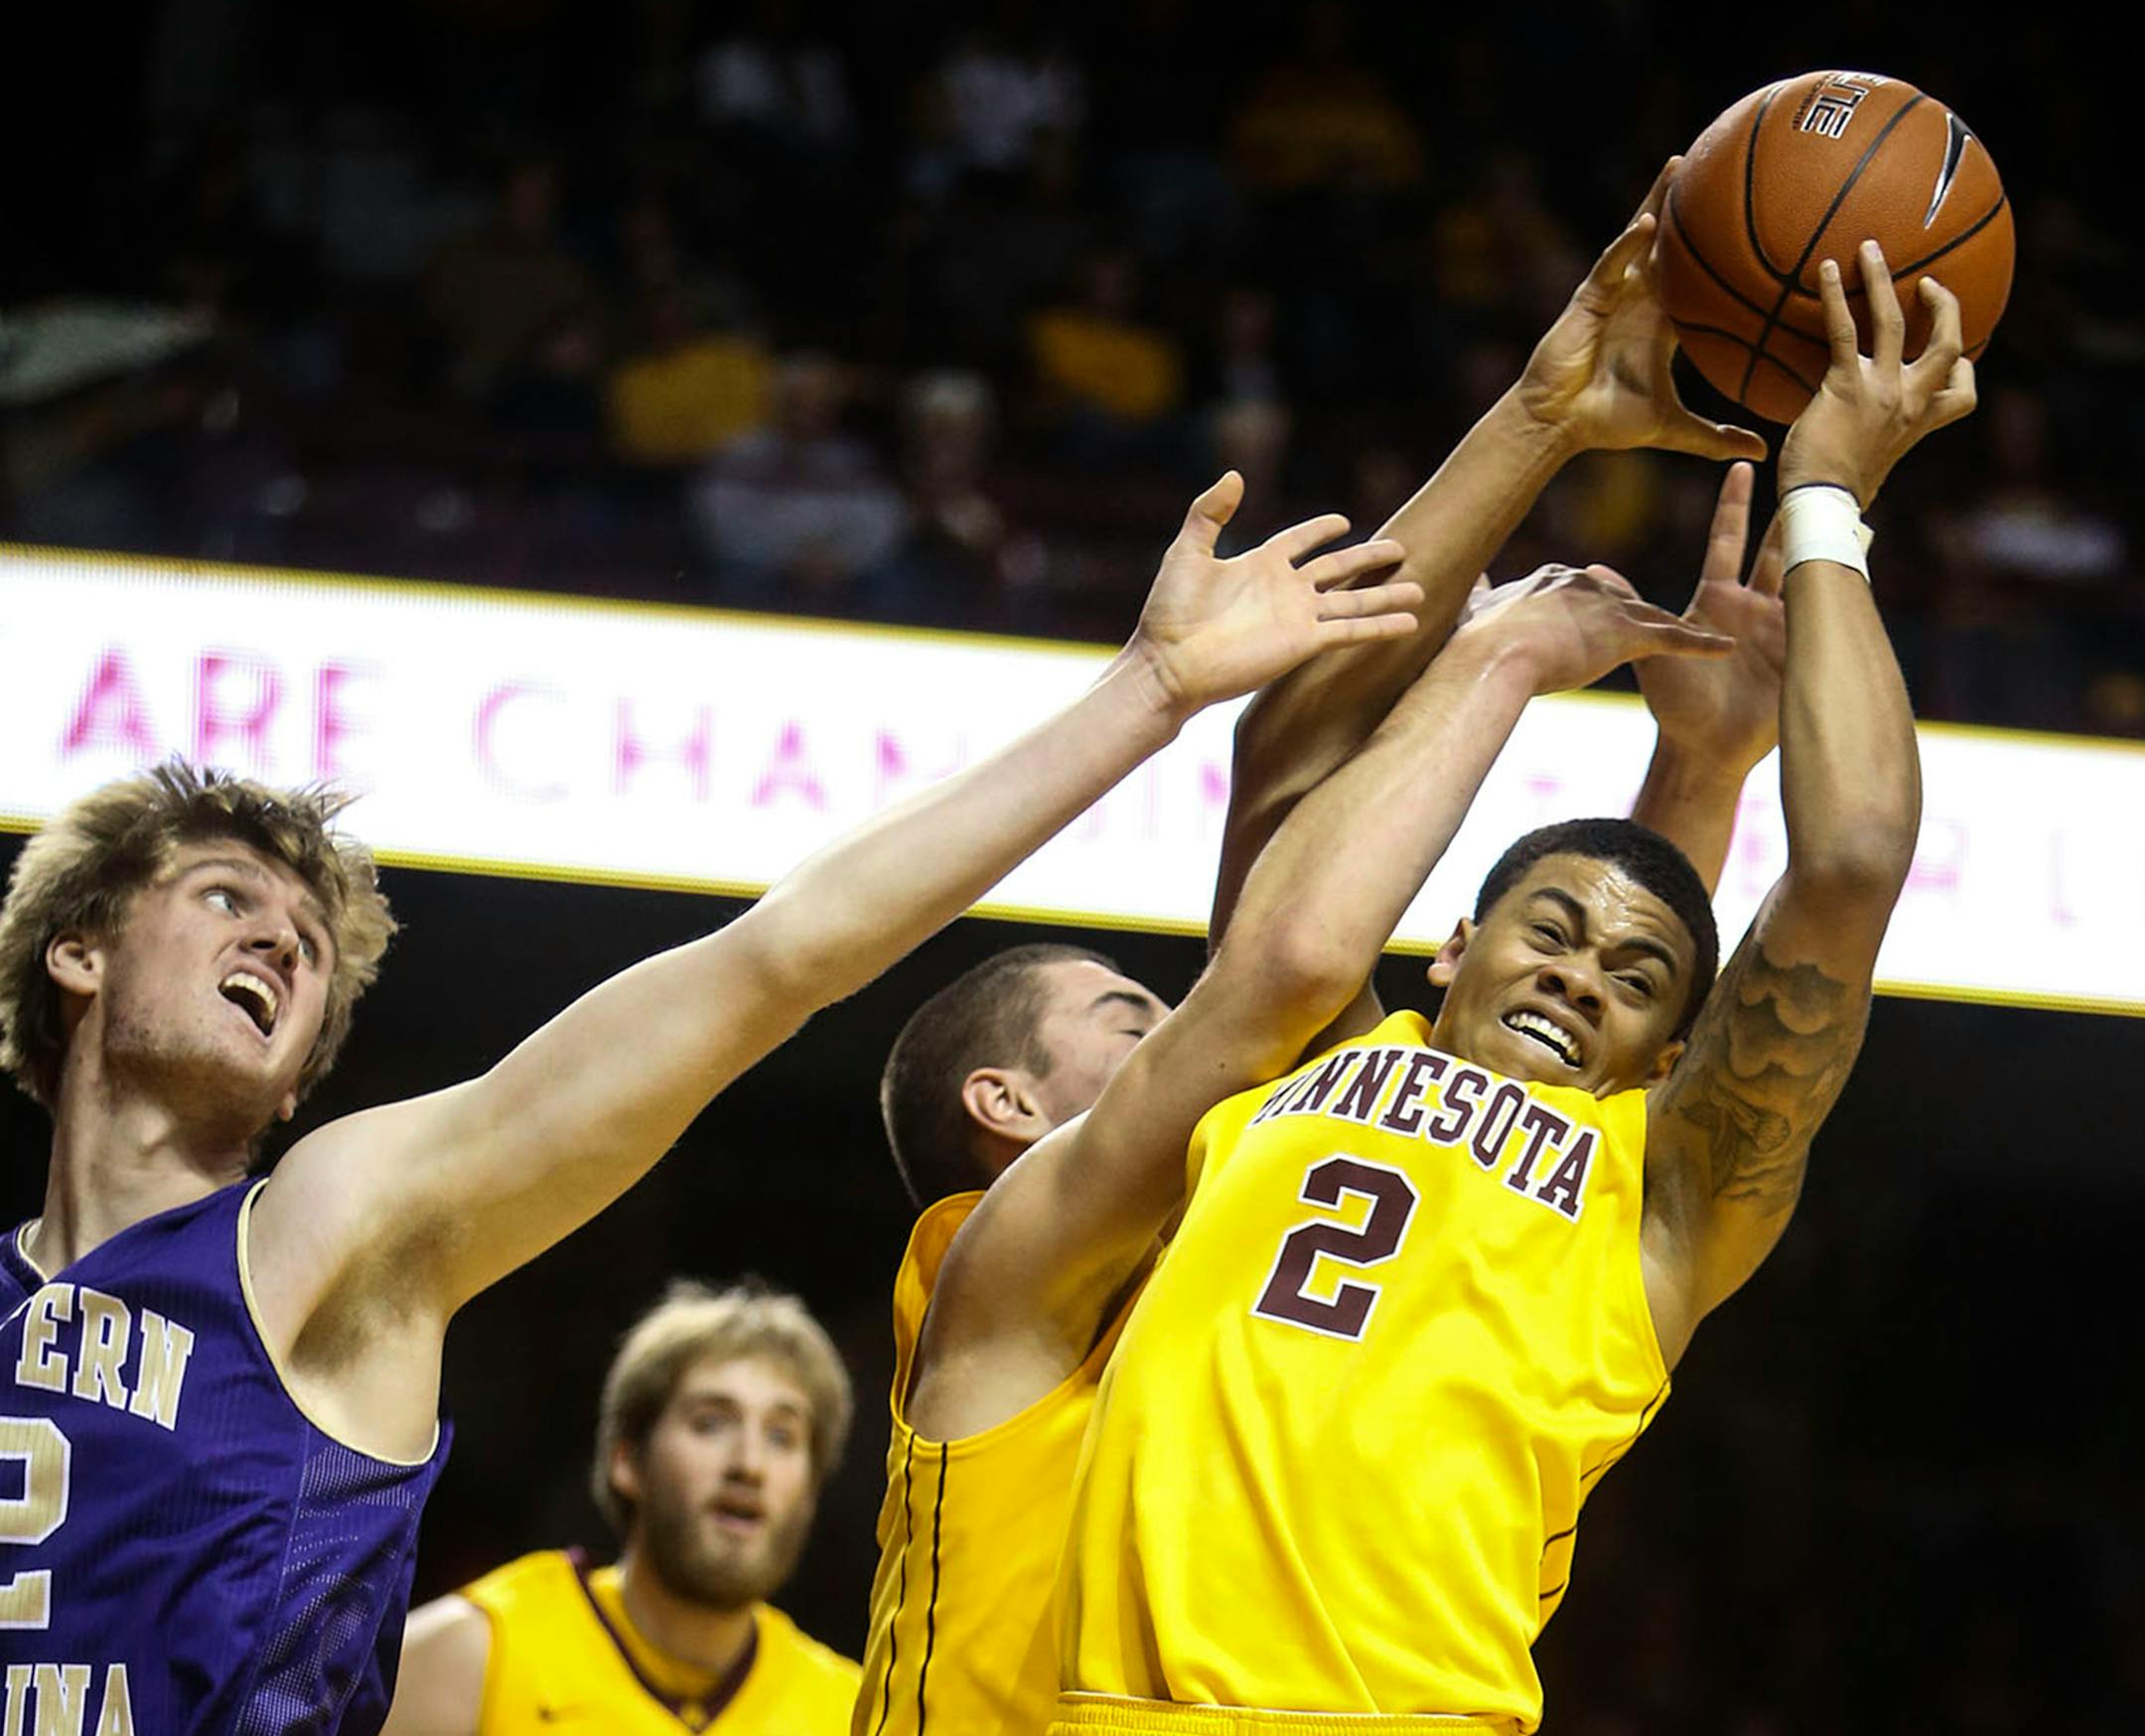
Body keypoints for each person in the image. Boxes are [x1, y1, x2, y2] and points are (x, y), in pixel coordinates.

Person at [0, 476, 1420, 1735]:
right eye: (226, 899)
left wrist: (1153, 691)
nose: (281, 944)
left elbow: (772, 962)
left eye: (310, 944)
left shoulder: (329, 1228)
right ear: (80, 948)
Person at [852, 163, 1777, 1736]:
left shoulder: (1287, 1202)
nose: (1187, 1022)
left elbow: (1562, 1103)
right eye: (1133, 1012)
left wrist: (1692, 757)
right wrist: (1497, 654)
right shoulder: (999, 1268)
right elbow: (1286, 868)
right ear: (1007, 1111)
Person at [1046, 244, 1974, 1734]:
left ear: (1667, 1054)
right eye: (1546, 931)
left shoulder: (1662, 1198)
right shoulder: (1298, 1039)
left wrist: (1828, 504)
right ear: (1448, 949)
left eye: (1633, 980)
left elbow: (1852, 860)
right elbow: (1297, 738)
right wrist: (1543, 416)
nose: (1577, 975)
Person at [384, 1281, 858, 1733]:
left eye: (782, 1436)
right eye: (711, 1423)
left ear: (810, 1491)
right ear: (627, 1460)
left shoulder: (854, 1712)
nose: (750, 1464)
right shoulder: (478, 1652)